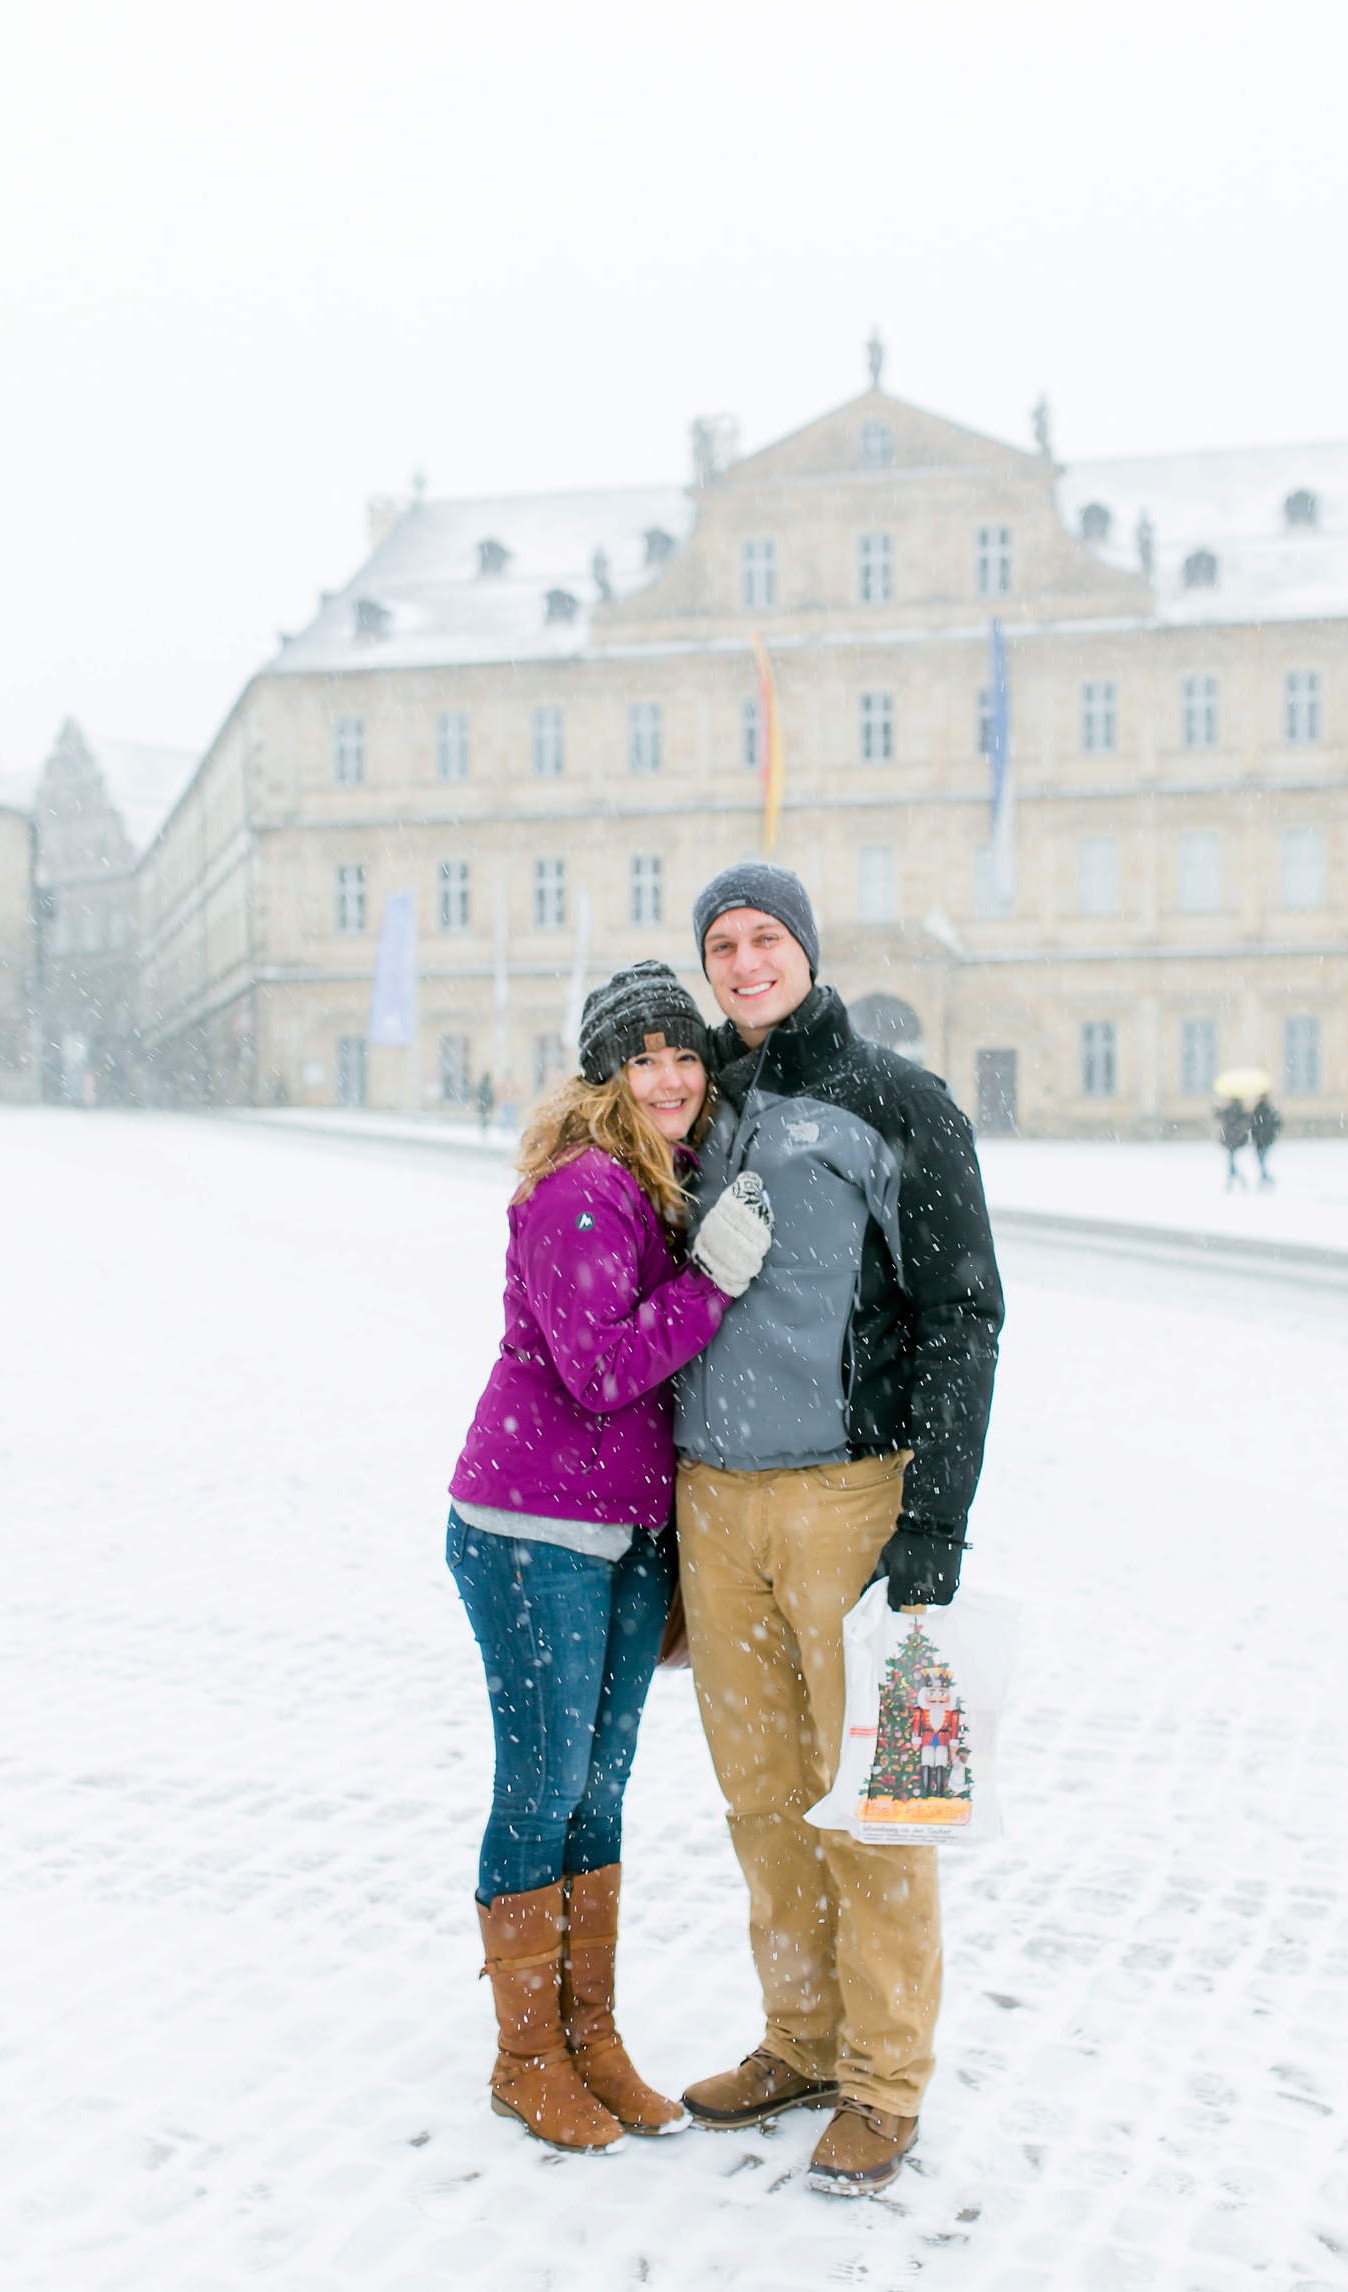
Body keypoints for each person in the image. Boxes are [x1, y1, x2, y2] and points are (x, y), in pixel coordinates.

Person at [672, 863, 1005, 2197]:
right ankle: (800, 2039)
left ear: (805, 949)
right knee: (761, 1804)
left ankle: (882, 2080)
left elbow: (963, 1314)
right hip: (714, 1498)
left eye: (766, 937)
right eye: (722, 942)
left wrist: (937, 1520)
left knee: (874, 1809)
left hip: (849, 1499)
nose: (746, 960)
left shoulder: (899, 1102)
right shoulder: (692, 1101)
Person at [446, 961, 775, 2155]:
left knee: (598, 1788)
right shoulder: (585, 1186)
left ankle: (590, 2034)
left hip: (620, 1535)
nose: (672, 1074)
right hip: (535, 1534)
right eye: (642, 1057)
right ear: (606, 1074)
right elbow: (597, 1370)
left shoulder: (664, 1176)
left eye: (684, 1052)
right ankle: (524, 2053)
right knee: (541, 1789)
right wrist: (709, 1285)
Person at [1218, 1096, 1250, 1189]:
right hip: (1237, 1139)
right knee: (1231, 1159)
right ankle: (1235, 1178)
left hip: (1230, 1138)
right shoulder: (1241, 1111)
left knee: (1231, 1160)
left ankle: (1235, 1178)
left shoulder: (1230, 1111)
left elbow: (1219, 1115)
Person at [1250, 1092, 1281, 1187]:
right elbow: (1277, 1123)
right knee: (1262, 1160)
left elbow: (1253, 1125)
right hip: (1266, 1139)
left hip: (1260, 1140)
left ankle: (1266, 1178)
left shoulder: (1258, 1110)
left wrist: (1254, 1136)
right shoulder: (1270, 1110)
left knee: (1261, 1160)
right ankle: (1265, 1178)